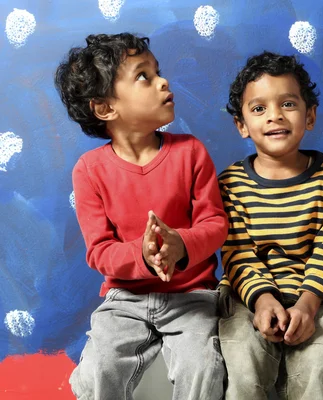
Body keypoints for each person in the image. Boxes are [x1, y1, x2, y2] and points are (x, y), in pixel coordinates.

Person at [55, 32, 228, 400]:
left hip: (192, 296)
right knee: (97, 372)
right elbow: (99, 251)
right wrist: (143, 254)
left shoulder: (191, 152)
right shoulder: (89, 170)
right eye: (143, 76)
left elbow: (215, 226)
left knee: (205, 368)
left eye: (157, 71)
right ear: (105, 109)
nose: (163, 81)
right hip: (125, 301)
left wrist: (180, 245)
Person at [217, 51, 323, 400]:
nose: (275, 116)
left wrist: (307, 306)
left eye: (288, 104)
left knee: (320, 368)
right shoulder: (231, 183)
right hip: (247, 297)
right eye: (259, 108)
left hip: (318, 297)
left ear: (309, 116)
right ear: (242, 125)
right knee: (244, 369)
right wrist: (263, 301)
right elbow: (237, 253)